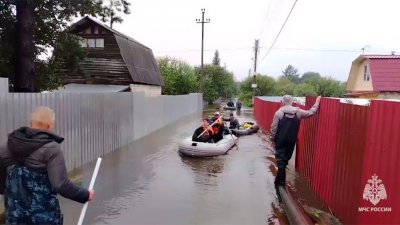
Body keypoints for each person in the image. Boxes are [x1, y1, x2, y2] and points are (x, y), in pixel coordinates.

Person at [0, 106, 95, 225]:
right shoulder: (52, 148)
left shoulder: (6, 146)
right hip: (44, 218)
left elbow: (2, 183)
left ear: (31, 123)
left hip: (15, 216)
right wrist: (85, 194)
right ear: (50, 125)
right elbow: (60, 184)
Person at [270, 95, 321, 187]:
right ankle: (279, 181)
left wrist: (272, 140)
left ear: (283, 102)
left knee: (280, 160)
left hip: (280, 140)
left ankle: (281, 183)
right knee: (285, 159)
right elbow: (311, 112)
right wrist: (317, 102)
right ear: (292, 101)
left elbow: (273, 129)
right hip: (291, 140)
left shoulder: (278, 113)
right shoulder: (299, 112)